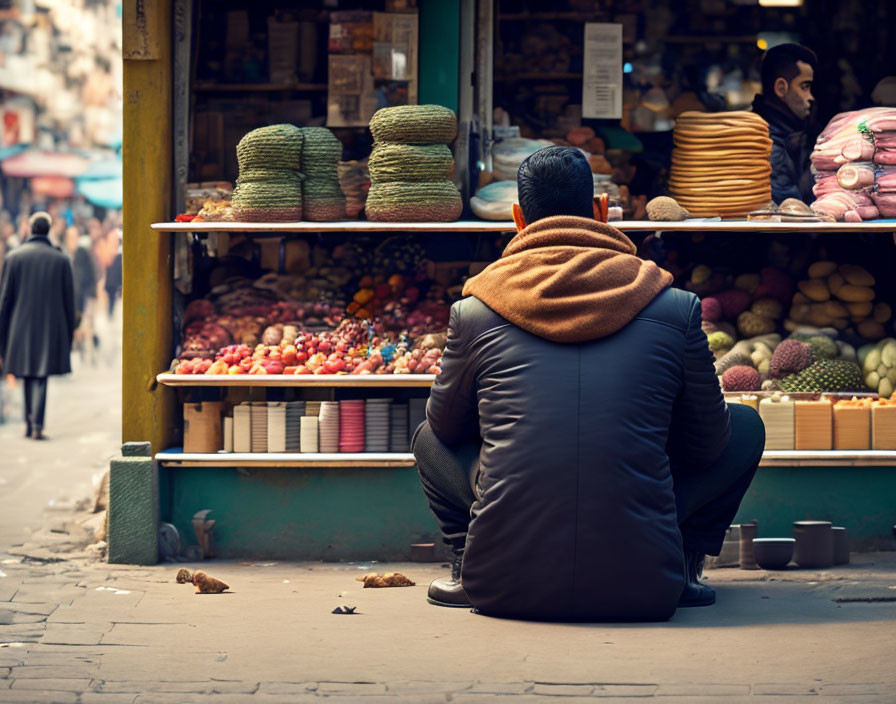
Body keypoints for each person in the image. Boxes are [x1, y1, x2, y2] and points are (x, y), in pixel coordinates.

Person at [412, 146, 765, 622]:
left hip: (498, 586)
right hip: (646, 586)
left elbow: (446, 430)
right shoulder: (675, 307)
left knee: (429, 435)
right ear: (601, 212)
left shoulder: (475, 310)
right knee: (742, 426)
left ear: (519, 218)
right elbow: (709, 444)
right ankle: (683, 568)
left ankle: (463, 567)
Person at [0, 212, 76, 440]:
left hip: (19, 326)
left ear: (31, 229)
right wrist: (69, 331)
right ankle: (37, 424)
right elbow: (68, 301)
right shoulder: (61, 259)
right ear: (49, 229)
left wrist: (3, 334)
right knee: (40, 375)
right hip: (50, 326)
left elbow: (4, 301)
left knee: (26, 373)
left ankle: (29, 421)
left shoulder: (14, 258)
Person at [751, 43, 817, 204]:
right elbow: (792, 210)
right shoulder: (764, 142)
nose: (811, 97)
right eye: (804, 86)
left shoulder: (792, 132)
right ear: (781, 88)